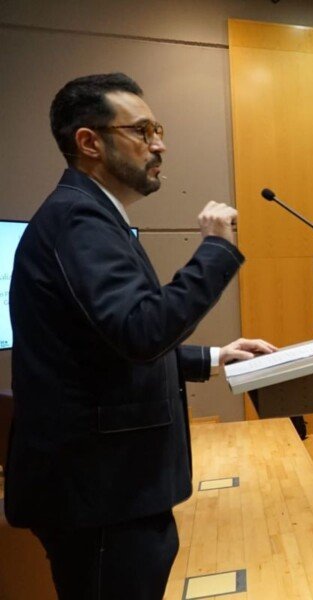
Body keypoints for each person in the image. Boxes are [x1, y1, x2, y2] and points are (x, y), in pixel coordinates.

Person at [3, 73, 277, 599]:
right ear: (89, 142)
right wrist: (216, 250)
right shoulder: (79, 218)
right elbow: (142, 331)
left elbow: (104, 344)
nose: (159, 145)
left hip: (106, 492)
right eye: (142, 131)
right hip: (101, 494)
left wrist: (213, 356)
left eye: (159, 130)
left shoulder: (89, 216)